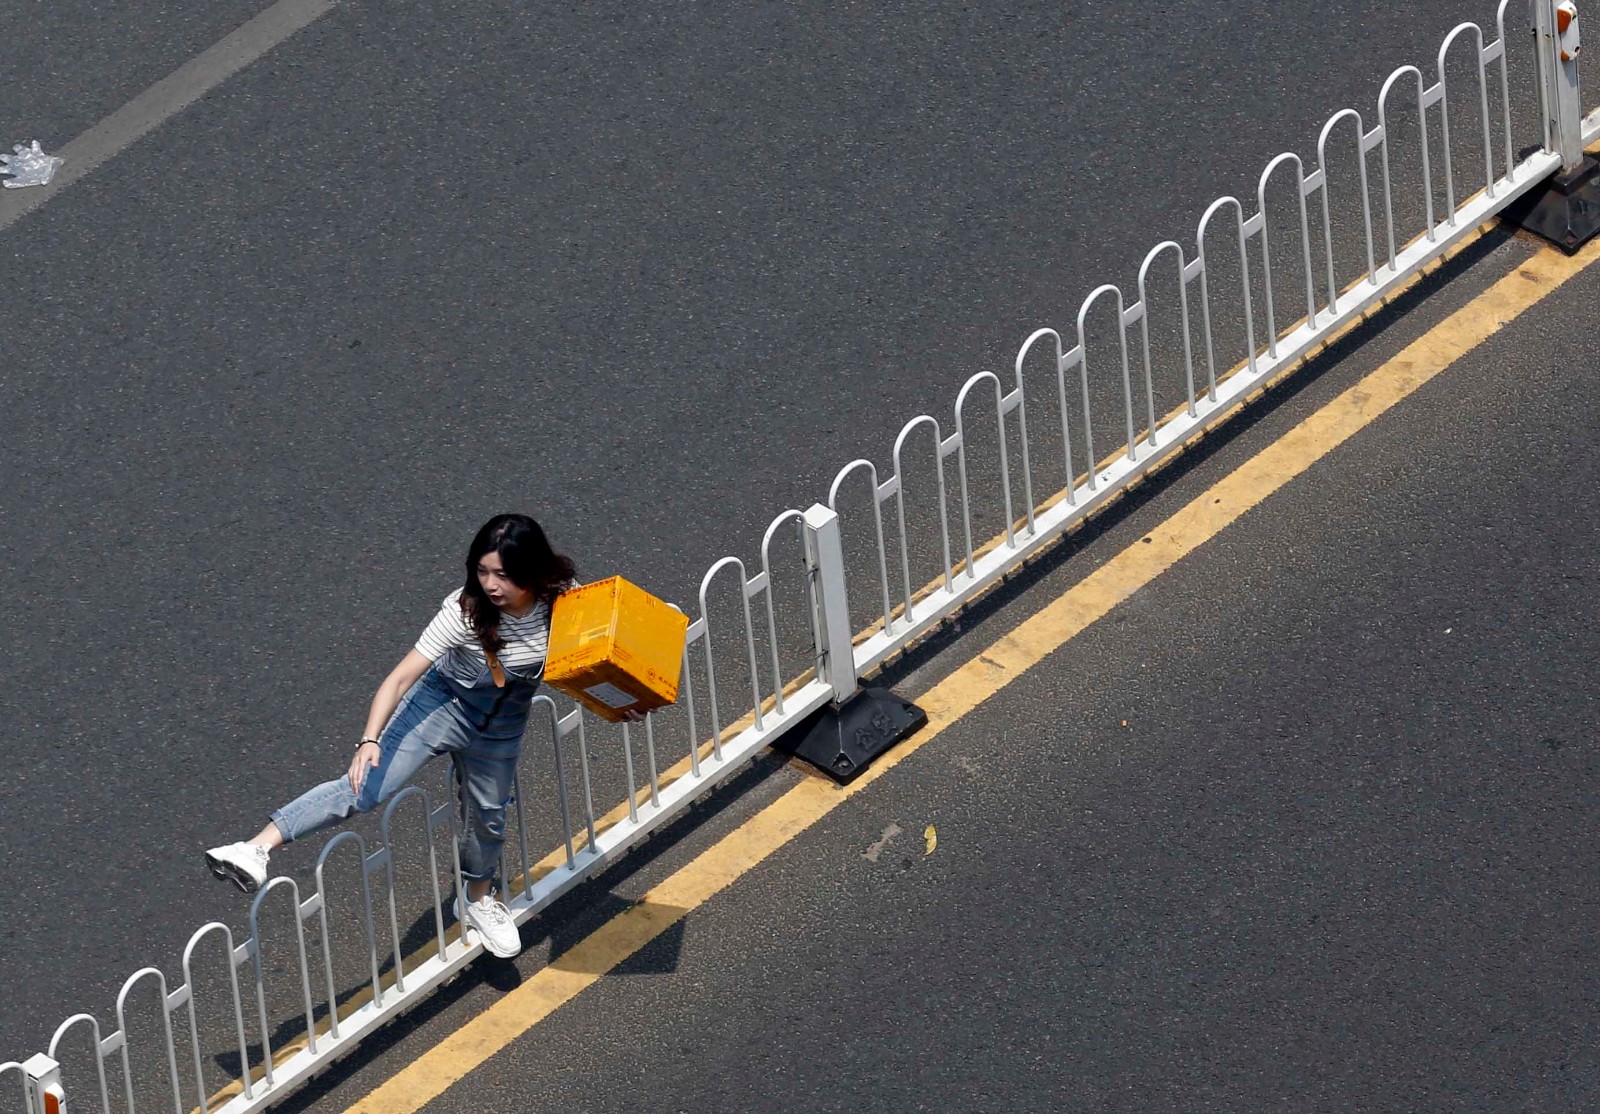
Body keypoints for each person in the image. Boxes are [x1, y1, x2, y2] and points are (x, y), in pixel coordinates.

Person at [204, 513, 582, 959]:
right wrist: (369, 740)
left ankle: (477, 900)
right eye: (482, 571)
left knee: (490, 815)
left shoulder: (564, 596)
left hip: (501, 727)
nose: (490, 584)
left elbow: (602, 648)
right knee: (362, 789)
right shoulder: (464, 612)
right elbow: (400, 678)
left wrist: (630, 700)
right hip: (442, 707)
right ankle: (255, 849)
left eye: (502, 574)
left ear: (532, 571)